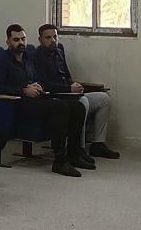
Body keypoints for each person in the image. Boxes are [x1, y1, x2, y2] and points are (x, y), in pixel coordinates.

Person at [0, 24, 90, 176]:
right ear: (8, 41)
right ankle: (59, 161)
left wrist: (37, 85)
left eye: (23, 39)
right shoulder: (2, 61)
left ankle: (74, 154)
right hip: (16, 104)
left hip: (35, 100)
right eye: (16, 40)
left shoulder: (27, 58)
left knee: (77, 107)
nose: (21, 42)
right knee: (59, 107)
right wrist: (24, 90)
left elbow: (36, 78)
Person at [32, 24, 119, 160]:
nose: (53, 40)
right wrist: (69, 89)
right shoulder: (37, 56)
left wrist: (74, 84)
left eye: (55, 37)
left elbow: (67, 75)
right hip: (57, 97)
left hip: (70, 93)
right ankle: (79, 148)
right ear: (40, 40)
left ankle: (97, 144)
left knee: (104, 98)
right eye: (48, 38)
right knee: (82, 102)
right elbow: (44, 84)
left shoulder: (59, 51)